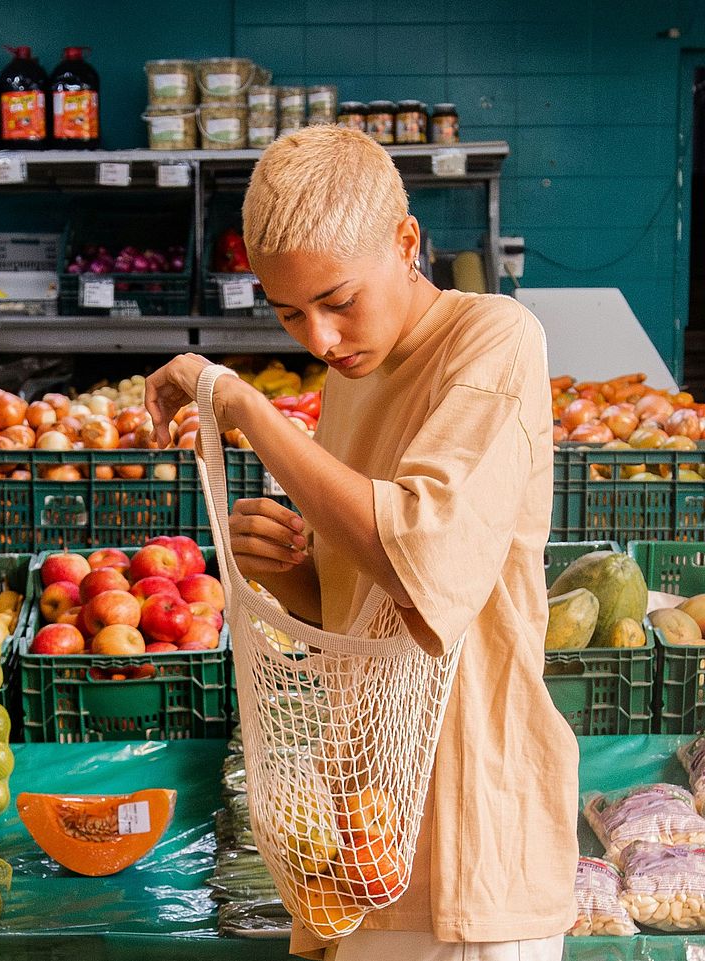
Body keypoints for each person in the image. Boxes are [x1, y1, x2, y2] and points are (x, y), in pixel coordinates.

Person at [144, 126, 578, 961]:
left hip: (466, 847)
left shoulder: (495, 340)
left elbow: (426, 557)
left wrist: (245, 407)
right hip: (368, 842)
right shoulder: (349, 382)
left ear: (406, 241)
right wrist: (299, 575)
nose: (319, 340)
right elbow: (368, 618)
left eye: (339, 301)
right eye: (288, 312)